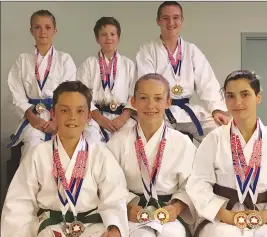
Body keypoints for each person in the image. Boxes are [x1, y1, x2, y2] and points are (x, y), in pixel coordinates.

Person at [1, 81, 129, 237]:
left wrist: (115, 228)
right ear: (53, 113)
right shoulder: (38, 154)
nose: (72, 117)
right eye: (64, 110)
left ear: (89, 116)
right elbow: (19, 202)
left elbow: (115, 196)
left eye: (80, 111)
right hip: (51, 227)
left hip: (92, 228)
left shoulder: (100, 154)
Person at [186, 70, 267, 237]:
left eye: (245, 94)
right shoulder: (214, 139)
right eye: (230, 96)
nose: (237, 102)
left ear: (258, 97)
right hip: (222, 218)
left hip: (261, 216)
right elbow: (198, 183)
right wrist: (224, 214)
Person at [107, 73, 196, 237]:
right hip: (135, 213)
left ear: (168, 102)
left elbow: (192, 184)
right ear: (133, 102)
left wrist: (177, 207)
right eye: (143, 98)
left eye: (157, 98)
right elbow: (108, 184)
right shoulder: (118, 141)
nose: (150, 105)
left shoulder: (182, 142)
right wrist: (127, 205)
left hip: (169, 213)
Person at [136, 1, 229, 143]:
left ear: (182, 20)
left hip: (187, 111)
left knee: (222, 132)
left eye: (176, 18)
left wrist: (216, 109)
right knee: (156, 139)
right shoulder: (148, 50)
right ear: (158, 21)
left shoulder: (192, 51)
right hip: (160, 111)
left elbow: (207, 82)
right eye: (165, 18)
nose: (171, 22)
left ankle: (215, 165)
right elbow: (147, 85)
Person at [7, 9, 77, 160]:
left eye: (47, 27)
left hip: (60, 118)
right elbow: (16, 96)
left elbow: (71, 95)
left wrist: (56, 120)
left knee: (63, 154)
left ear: (55, 30)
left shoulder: (65, 60)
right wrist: (34, 119)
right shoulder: (23, 61)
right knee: (32, 150)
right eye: (37, 27)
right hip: (32, 117)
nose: (43, 32)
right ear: (31, 31)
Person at [77, 16, 136, 144]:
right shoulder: (89, 64)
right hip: (95, 117)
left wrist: (122, 119)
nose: (108, 38)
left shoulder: (129, 65)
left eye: (112, 34)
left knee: (130, 143)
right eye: (103, 34)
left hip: (122, 118)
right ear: (97, 39)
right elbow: (82, 96)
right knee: (91, 141)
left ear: (118, 37)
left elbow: (134, 96)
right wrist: (100, 119)